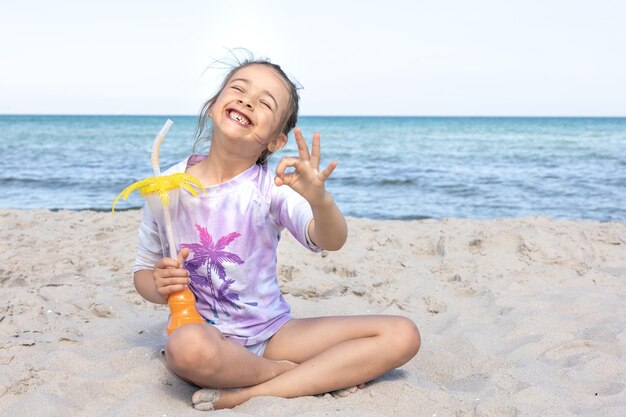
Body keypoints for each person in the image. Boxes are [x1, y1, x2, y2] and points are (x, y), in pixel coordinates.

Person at [132, 56, 421, 410]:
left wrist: (320, 200)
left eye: (265, 102)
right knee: (186, 348)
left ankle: (247, 392)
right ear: (212, 106)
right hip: (203, 335)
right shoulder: (165, 187)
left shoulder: (272, 188)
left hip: (272, 333)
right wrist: (160, 285)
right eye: (238, 88)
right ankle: (288, 375)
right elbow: (143, 273)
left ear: (275, 141)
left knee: (402, 334)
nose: (247, 100)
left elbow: (330, 239)